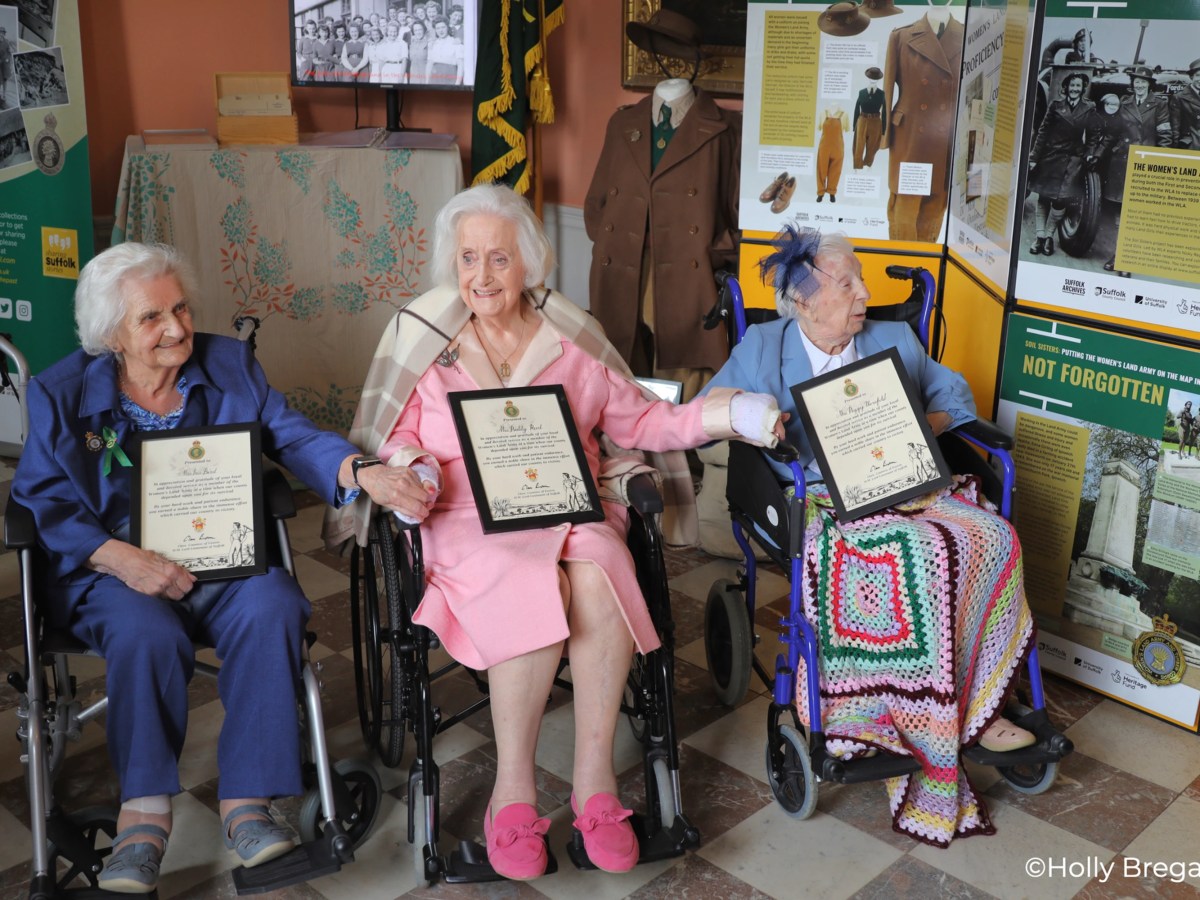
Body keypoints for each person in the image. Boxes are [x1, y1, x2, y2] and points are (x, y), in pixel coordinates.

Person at [324, 183, 782, 880]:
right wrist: (412, 471)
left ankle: (595, 784)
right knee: (523, 577)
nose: (482, 276)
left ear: (529, 264)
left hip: (568, 505)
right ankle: (512, 792)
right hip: (466, 516)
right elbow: (402, 436)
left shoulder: (572, 342)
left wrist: (728, 415)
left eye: (499, 259)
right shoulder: (428, 342)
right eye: (469, 258)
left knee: (600, 568)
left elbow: (644, 424)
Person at [10, 243, 428, 894]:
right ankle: (142, 815)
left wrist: (361, 471)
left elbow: (290, 435)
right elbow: (39, 500)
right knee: (148, 632)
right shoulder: (60, 395)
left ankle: (249, 802)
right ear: (111, 334)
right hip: (110, 569)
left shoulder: (230, 364)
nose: (176, 328)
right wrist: (119, 558)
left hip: (220, 552)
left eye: (180, 308)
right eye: (152, 318)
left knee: (275, 604)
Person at [701, 225, 1037, 848]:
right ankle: (884, 718)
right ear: (803, 299)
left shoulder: (893, 337)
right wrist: (753, 419)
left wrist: (919, 425)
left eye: (860, 279)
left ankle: (983, 705)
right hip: (818, 500)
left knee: (991, 536)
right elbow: (705, 409)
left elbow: (954, 393)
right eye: (848, 282)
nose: (863, 294)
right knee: (907, 557)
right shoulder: (764, 347)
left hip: (908, 483)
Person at [1027, 72, 1098, 256]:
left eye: (1078, 86)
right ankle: (1040, 238)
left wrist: (1089, 154)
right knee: (1044, 198)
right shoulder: (1056, 105)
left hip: (1073, 160)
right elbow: (1043, 132)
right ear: (1066, 88)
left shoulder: (1089, 108)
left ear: (1082, 89)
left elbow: (1092, 135)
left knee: (1060, 201)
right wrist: (1034, 157)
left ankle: (1050, 236)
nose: (1075, 89)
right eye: (1072, 85)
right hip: (1051, 156)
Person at [1093, 93, 1136, 275]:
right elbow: (1112, 133)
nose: (1140, 86)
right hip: (1123, 161)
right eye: (1137, 82)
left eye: (1144, 83)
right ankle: (1119, 256)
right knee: (1121, 210)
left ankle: (1126, 259)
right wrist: (1098, 154)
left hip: (1144, 159)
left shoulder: (1158, 104)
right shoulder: (1125, 103)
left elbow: (1165, 134)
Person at [426, 17, 463, 86]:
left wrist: (457, 84)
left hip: (450, 77)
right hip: (434, 79)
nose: (441, 30)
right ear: (435, 30)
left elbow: (460, 65)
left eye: (443, 27)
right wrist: (427, 82)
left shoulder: (455, 42)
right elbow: (429, 64)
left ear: (447, 28)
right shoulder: (432, 44)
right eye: (438, 28)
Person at [375, 20, 409, 85]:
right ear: (387, 32)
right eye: (390, 31)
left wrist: (401, 77)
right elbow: (381, 61)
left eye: (395, 31)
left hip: (398, 69)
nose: (393, 34)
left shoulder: (402, 43)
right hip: (386, 70)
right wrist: (380, 77)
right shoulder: (383, 43)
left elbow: (404, 60)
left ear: (398, 32)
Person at [406, 20, 431, 85]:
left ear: (424, 30)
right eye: (416, 30)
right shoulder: (411, 44)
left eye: (420, 29)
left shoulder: (430, 42)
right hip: (414, 76)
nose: (418, 32)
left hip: (426, 76)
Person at [295, 19, 318, 83]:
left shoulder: (318, 38)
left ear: (316, 28)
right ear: (306, 29)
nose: (312, 30)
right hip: (306, 62)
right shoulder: (303, 39)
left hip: (316, 62)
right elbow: (298, 52)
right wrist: (302, 59)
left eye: (313, 28)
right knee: (305, 80)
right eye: (310, 28)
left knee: (315, 79)